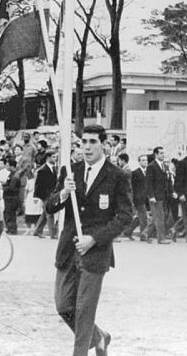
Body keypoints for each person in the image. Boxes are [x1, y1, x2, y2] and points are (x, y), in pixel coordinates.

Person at [46, 124, 132, 356]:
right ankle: (100, 337)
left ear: (104, 144)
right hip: (67, 250)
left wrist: (94, 239)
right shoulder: (69, 171)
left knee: (84, 311)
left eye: (93, 142)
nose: (87, 147)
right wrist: (64, 193)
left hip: (95, 253)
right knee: (64, 306)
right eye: (83, 142)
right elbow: (49, 206)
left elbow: (125, 215)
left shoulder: (117, 176)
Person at [146, 146, 171, 244]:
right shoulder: (151, 166)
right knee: (159, 217)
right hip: (155, 195)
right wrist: (151, 196)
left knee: (159, 217)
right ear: (156, 154)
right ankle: (161, 238)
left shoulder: (165, 166)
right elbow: (148, 183)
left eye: (164, 153)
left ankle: (145, 233)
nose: (163, 155)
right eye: (161, 153)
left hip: (164, 195)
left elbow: (168, 180)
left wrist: (171, 191)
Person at [34, 152, 59, 239]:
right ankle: (53, 234)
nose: (55, 158)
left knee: (45, 213)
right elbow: (38, 184)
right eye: (53, 157)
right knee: (49, 213)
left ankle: (37, 230)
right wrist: (40, 196)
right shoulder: (42, 169)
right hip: (46, 194)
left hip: (52, 194)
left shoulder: (53, 168)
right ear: (48, 158)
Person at [127, 155, 150, 241]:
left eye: (146, 160)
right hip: (138, 198)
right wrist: (132, 199)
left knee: (140, 216)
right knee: (143, 216)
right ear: (139, 162)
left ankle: (128, 230)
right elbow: (132, 187)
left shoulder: (148, 172)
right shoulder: (135, 173)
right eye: (143, 160)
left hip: (146, 198)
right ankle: (143, 235)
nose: (145, 162)